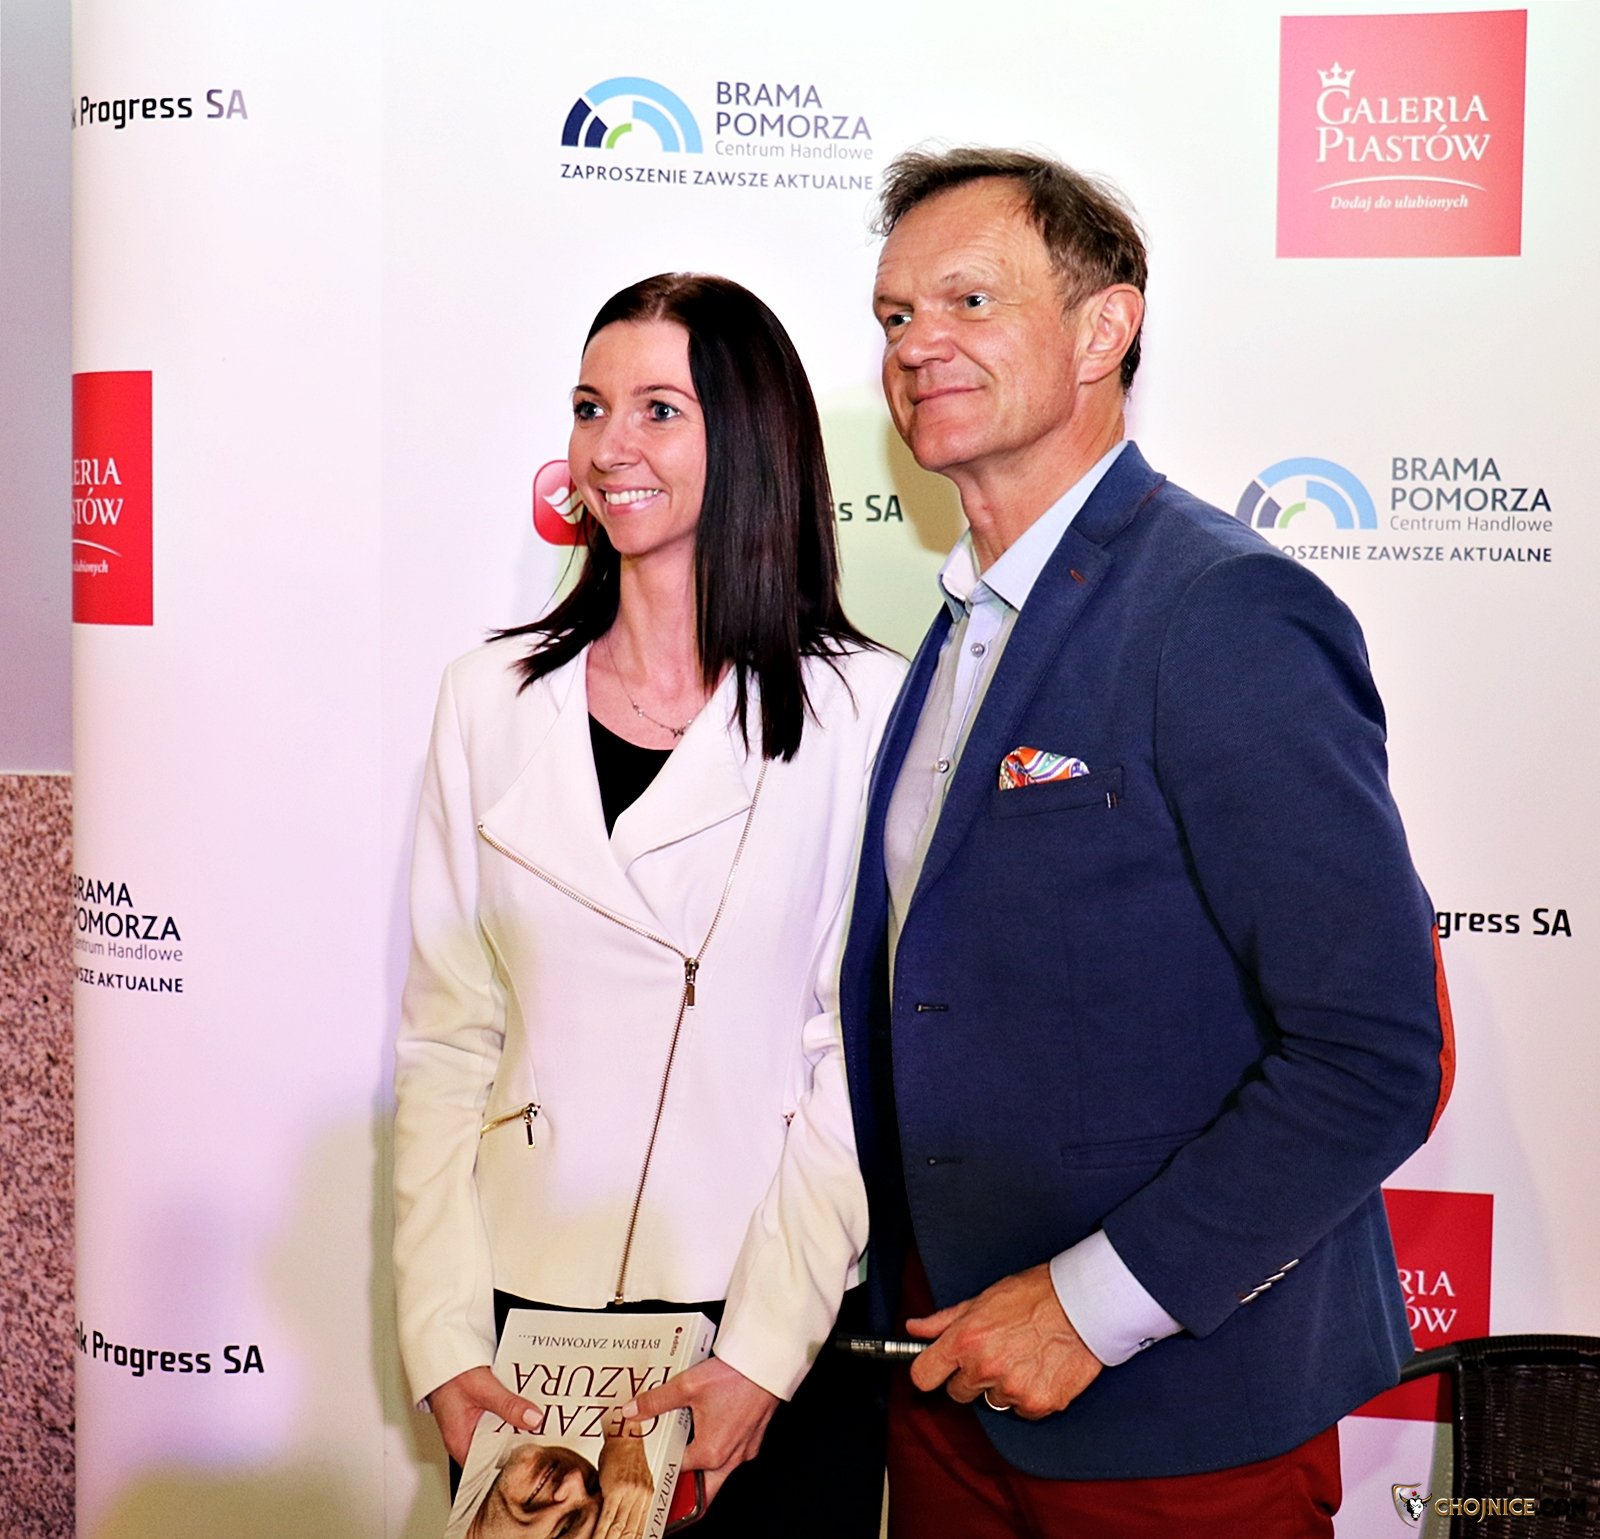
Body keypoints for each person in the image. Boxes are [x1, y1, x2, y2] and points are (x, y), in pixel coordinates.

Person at [837, 146, 1456, 1538]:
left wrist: (1086, 1308)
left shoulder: (1221, 610)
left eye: (969, 300)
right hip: (943, 1383)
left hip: (1179, 1416)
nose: (917, 342)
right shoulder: (958, 627)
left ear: (1103, 329)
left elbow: (1374, 1052)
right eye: (894, 314)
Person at [394, 272, 904, 1536]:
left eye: (658, 409)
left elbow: (856, 1058)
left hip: (765, 1326)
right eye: (589, 407)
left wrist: (765, 1355)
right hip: (529, 1336)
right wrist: (444, 1338)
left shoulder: (863, 713)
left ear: (753, 443)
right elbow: (449, 1040)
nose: (608, 446)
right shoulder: (487, 701)